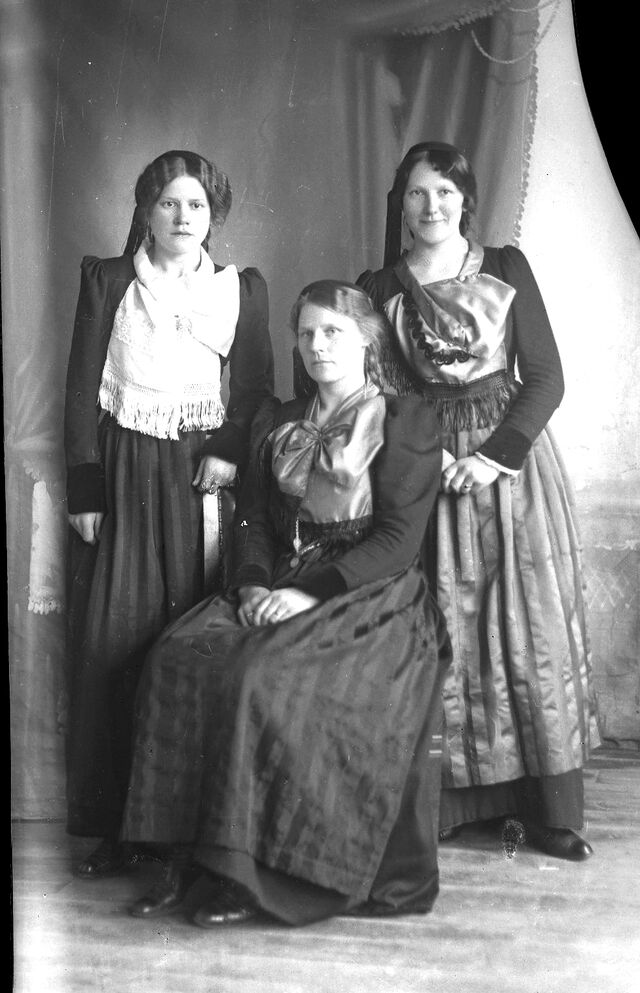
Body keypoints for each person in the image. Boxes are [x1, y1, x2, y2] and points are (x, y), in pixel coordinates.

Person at [119, 279, 452, 927]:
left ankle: (246, 874)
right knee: (175, 657)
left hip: (370, 593)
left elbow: (397, 541)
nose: (317, 345)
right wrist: (252, 585)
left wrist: (305, 595)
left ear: (366, 340)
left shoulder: (403, 418)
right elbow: (253, 521)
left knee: (259, 677)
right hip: (280, 579)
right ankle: (182, 861)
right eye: (306, 333)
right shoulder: (278, 419)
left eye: (333, 332)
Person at [357, 141, 600, 862]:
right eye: (417, 193)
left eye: (445, 192)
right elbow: (378, 388)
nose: (431, 206)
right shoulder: (379, 285)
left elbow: (546, 376)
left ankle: (547, 810)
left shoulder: (506, 267)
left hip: (510, 471)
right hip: (423, 468)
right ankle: (450, 803)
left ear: (465, 200)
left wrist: (494, 457)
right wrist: (426, 455)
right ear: (401, 205)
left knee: (525, 626)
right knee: (441, 625)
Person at [64, 149, 274, 878]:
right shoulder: (109, 280)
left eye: (196, 205)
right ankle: (117, 826)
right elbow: (80, 389)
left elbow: (255, 389)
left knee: (187, 636)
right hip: (125, 468)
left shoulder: (239, 290)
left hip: (198, 476)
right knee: (115, 636)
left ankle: (186, 823)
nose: (183, 217)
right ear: (146, 212)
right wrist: (86, 489)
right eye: (169, 203)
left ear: (214, 215)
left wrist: (229, 451)